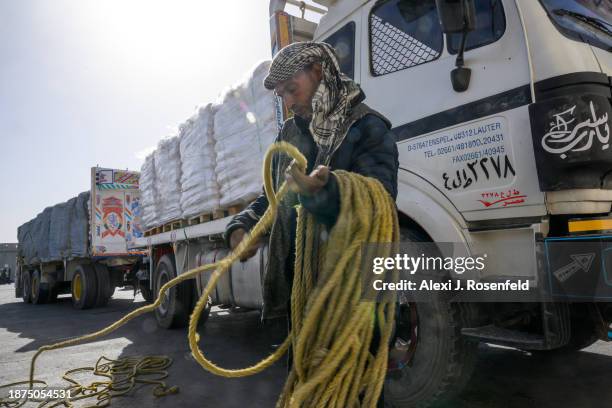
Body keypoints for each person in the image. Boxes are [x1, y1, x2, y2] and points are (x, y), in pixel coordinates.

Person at [223, 41, 399, 404]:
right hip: (303, 295)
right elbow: (271, 197)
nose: (288, 101)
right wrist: (244, 226)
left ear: (318, 72)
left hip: (352, 295)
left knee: (354, 386)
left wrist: (327, 190)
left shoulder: (368, 127)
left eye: (292, 88)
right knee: (305, 381)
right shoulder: (292, 134)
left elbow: (379, 198)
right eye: (282, 93)